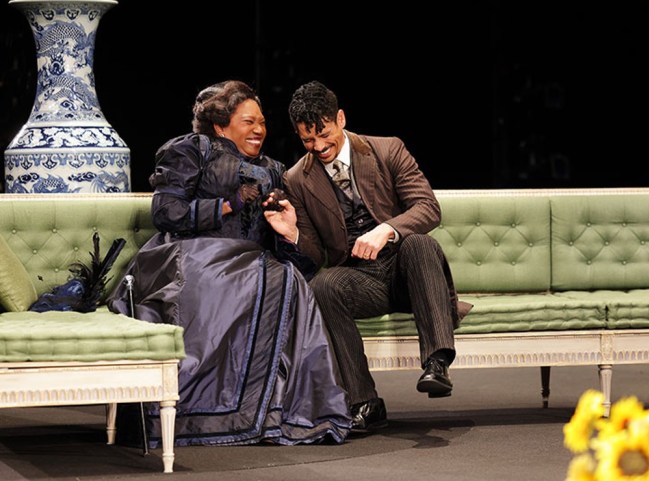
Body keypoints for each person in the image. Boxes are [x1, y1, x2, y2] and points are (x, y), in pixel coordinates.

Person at [106, 80, 351, 447]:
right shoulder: (194, 150)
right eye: (249, 121)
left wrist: (285, 230)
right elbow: (166, 212)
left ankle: (270, 414)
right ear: (221, 126)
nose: (259, 130)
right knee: (247, 281)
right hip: (194, 253)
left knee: (287, 280)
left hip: (252, 260)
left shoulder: (274, 168)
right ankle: (195, 414)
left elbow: (291, 247)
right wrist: (227, 204)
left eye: (263, 122)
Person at [281, 80, 473, 433]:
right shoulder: (297, 179)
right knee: (323, 285)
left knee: (420, 244)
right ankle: (364, 401)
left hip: (407, 271)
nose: (319, 146)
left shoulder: (387, 150)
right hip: (362, 279)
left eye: (324, 134)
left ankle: (436, 363)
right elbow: (316, 253)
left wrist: (386, 229)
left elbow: (428, 208)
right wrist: (292, 232)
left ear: (340, 118)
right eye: (308, 140)